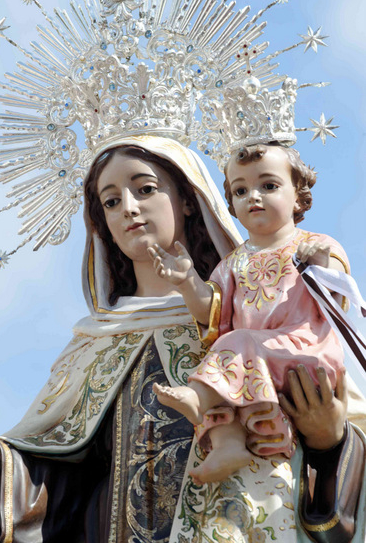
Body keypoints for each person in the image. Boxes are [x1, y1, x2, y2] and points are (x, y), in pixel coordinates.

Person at [0, 137, 366, 543]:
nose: (129, 208)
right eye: (111, 201)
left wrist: (329, 439)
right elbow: (64, 476)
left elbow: (345, 424)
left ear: (188, 198)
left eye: (145, 189)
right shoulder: (94, 345)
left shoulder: (256, 320)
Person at [151, 143, 360, 483]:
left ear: (298, 196)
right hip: (253, 360)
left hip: (303, 353)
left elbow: (337, 297)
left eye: (269, 185)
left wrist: (320, 263)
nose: (254, 197)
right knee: (226, 366)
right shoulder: (233, 262)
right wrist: (187, 281)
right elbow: (212, 313)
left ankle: (196, 396)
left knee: (233, 350)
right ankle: (229, 446)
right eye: (241, 190)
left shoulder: (312, 244)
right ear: (231, 204)